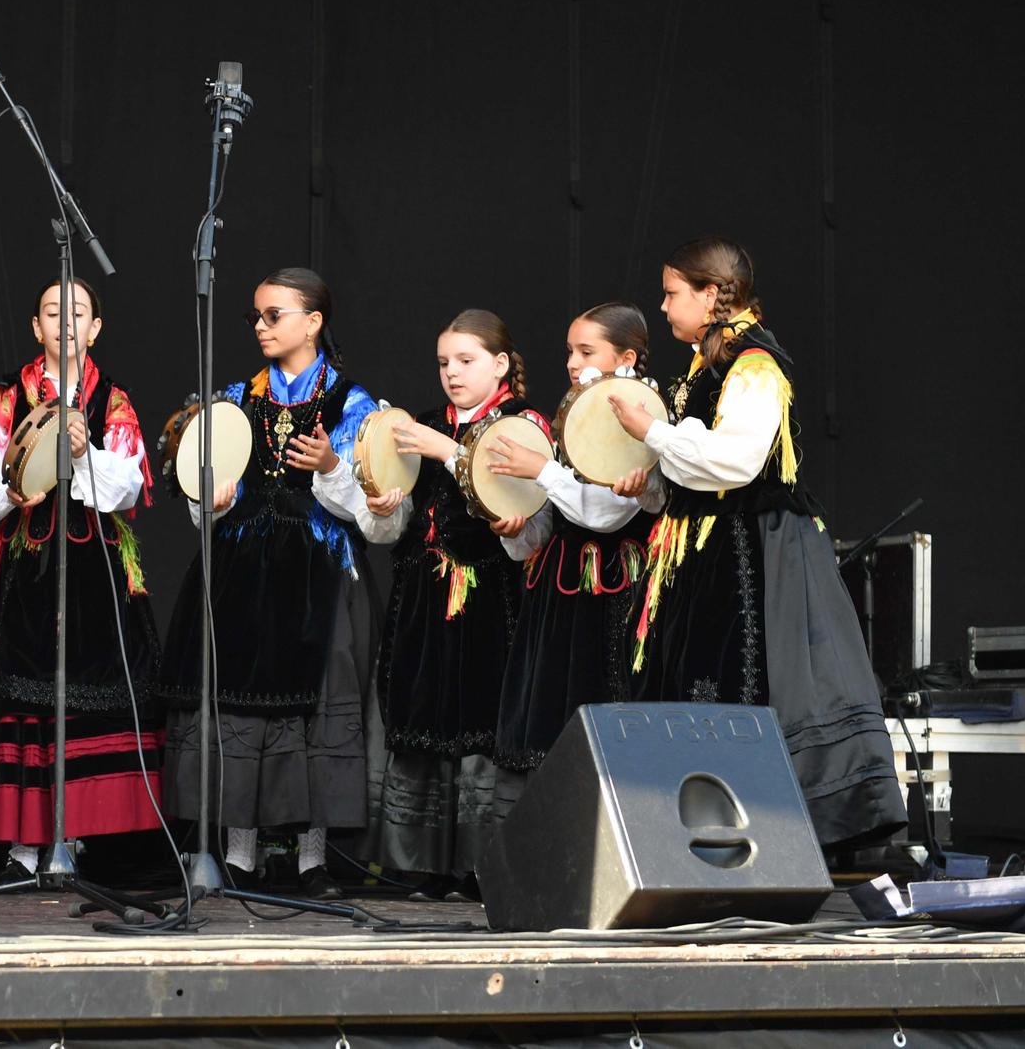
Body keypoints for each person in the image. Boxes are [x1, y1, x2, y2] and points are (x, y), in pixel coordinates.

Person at [610, 237, 903, 848]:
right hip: (699, 549)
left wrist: (656, 432)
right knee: (692, 681)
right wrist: (649, 488)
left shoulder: (754, 363)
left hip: (746, 554)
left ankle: (756, 840)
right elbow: (693, 480)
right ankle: (695, 841)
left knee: (745, 682)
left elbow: (737, 463)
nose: (662, 308)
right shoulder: (703, 364)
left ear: (712, 294)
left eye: (672, 294)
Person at [158, 267, 374, 900]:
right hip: (242, 573)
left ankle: (311, 860)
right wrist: (213, 498)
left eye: (273, 315)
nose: (259, 325)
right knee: (238, 707)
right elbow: (203, 491)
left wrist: (334, 468)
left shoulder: (353, 403)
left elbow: (368, 510)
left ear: (313, 322)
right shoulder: (232, 399)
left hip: (316, 574)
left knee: (314, 711)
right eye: (256, 315)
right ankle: (238, 854)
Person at [0, 280, 161, 872]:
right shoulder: (6, 397)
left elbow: (130, 487)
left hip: (96, 564)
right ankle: (20, 842)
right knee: (21, 699)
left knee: (87, 699)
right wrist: (17, 486)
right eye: (53, 312)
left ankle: (74, 835)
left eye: (78, 313)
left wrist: (85, 454)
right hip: (25, 563)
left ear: (95, 329)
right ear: (36, 327)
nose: (65, 322)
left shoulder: (113, 401)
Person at [354, 309, 545, 898]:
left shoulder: (523, 425)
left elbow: (528, 533)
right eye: (444, 362)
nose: (452, 373)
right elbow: (392, 522)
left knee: (482, 723)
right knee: (420, 712)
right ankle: (422, 861)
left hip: (492, 600)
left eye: (465, 361)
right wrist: (387, 510)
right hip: (424, 597)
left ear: (501, 364)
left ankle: (480, 864)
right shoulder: (425, 424)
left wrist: (448, 451)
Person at [487, 304, 655, 789]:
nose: (571, 362)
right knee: (547, 710)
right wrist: (518, 528)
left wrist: (539, 468)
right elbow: (552, 521)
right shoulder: (574, 411)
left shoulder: (641, 415)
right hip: (558, 593)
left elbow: (604, 514)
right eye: (569, 352)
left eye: (586, 351)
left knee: (602, 697)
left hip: (612, 593)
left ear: (625, 357)